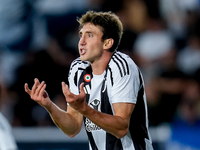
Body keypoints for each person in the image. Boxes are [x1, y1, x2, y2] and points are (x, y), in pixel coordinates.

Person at [24, 11, 154, 150]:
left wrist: (84, 109)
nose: (82, 42)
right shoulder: (78, 68)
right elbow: (72, 128)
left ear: (107, 43)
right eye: (81, 35)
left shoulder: (122, 66)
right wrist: (49, 106)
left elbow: (121, 128)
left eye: (90, 35)